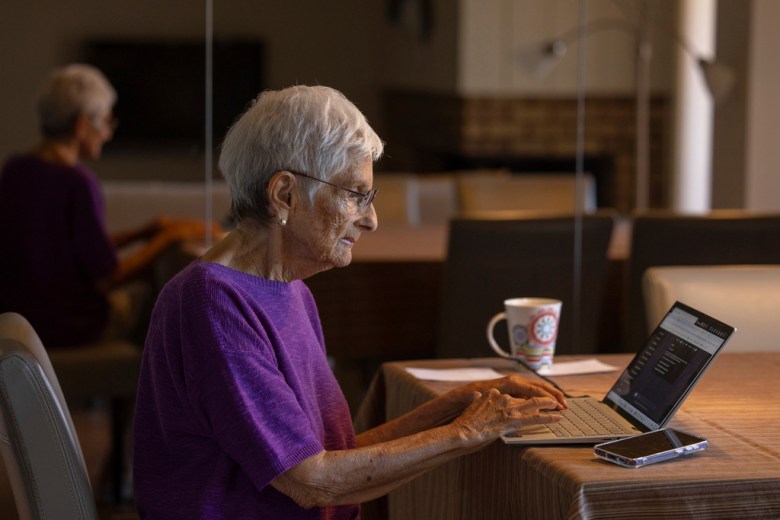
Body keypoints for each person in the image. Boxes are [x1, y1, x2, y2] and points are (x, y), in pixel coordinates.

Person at [132, 85, 566, 519]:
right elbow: (312, 481)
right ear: (284, 194)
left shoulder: (292, 289)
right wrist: (466, 432)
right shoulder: (213, 304)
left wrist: (459, 405)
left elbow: (333, 457)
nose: (371, 219)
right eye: (355, 194)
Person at [0, 64, 214, 348]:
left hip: (20, 322)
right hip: (68, 329)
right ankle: (136, 386)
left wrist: (143, 232)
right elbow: (106, 278)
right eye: (105, 121)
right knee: (159, 293)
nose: (108, 133)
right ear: (82, 125)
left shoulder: (15, 169)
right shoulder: (77, 182)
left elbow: (69, 249)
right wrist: (167, 239)